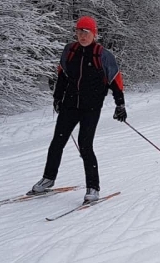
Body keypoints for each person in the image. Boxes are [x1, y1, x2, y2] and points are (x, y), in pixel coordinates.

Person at [30, 16, 126, 202]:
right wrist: (57, 98)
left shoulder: (102, 55)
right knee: (57, 142)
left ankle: (93, 187)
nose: (82, 35)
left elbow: (116, 81)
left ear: (94, 33)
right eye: (79, 31)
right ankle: (48, 179)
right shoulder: (70, 51)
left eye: (86, 32)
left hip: (91, 107)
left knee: (85, 145)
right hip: (70, 104)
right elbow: (63, 76)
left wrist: (120, 104)